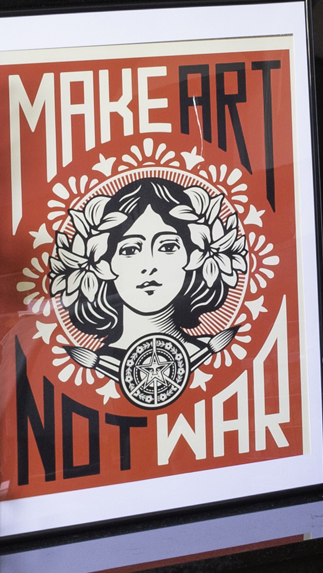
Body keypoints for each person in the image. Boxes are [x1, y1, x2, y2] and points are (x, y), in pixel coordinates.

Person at [51, 172, 246, 410]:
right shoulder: (95, 365)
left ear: (194, 255)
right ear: (104, 262)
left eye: (168, 246)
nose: (149, 265)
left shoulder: (208, 349)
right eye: (131, 249)